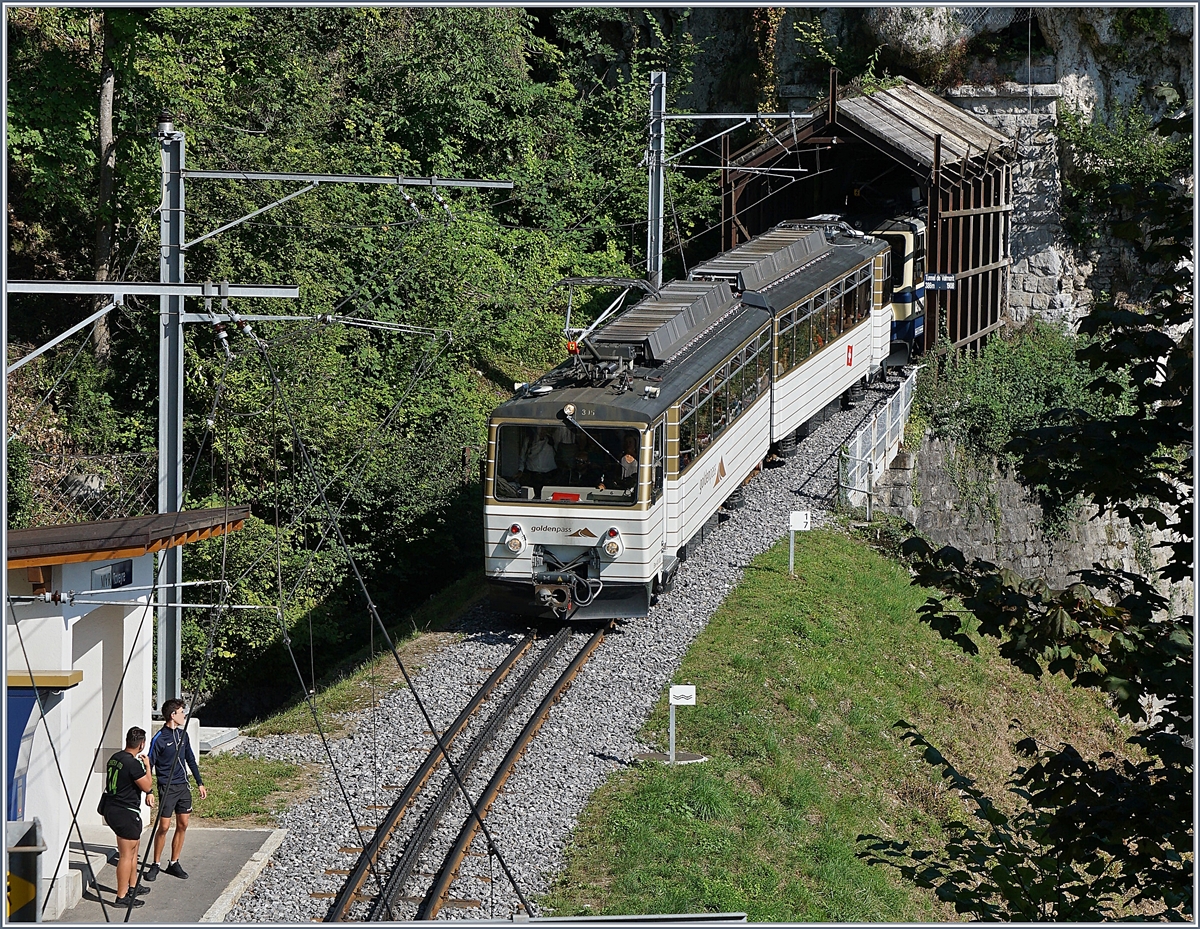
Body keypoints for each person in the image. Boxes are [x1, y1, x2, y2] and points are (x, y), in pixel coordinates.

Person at [145, 699, 207, 881]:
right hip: (167, 787)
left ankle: (174, 862)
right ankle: (155, 864)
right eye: (181, 712)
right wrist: (149, 791)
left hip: (183, 787)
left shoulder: (183, 735)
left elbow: (190, 759)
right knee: (163, 827)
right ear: (173, 715)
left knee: (183, 824)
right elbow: (149, 765)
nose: (184, 715)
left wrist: (199, 782)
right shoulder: (159, 739)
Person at [102, 727, 154, 908]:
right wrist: (147, 766)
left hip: (112, 808)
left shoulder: (115, 758)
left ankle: (133, 886)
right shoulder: (133, 764)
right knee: (126, 855)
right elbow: (147, 786)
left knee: (134, 848)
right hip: (125, 812)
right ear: (141, 744)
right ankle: (122, 896)